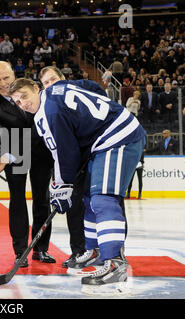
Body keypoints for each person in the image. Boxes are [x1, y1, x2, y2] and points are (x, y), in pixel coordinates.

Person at [9, 71, 146, 294]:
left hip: (119, 137)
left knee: (103, 199)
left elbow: (65, 152)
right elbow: (90, 87)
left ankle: (114, 264)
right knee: (90, 199)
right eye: (16, 101)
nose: (22, 104)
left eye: (24, 96)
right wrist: (61, 185)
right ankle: (95, 253)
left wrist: (61, 185)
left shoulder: (48, 113)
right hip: (104, 140)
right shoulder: (56, 90)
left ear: (36, 88)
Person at [0, 61, 55, 268]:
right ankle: (21, 251)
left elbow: (39, 129)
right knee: (17, 201)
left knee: (42, 199)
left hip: (40, 153)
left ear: (14, 74)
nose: (3, 83)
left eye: (6, 77)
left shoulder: (30, 91)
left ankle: (41, 249)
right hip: (12, 159)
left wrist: (10, 153)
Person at [39, 66, 109, 268]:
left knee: (105, 203)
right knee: (75, 207)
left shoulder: (86, 87)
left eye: (53, 79)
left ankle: (112, 250)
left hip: (97, 154)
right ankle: (79, 251)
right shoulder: (48, 106)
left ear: (63, 78)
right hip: (71, 161)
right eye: (46, 83)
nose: (51, 85)